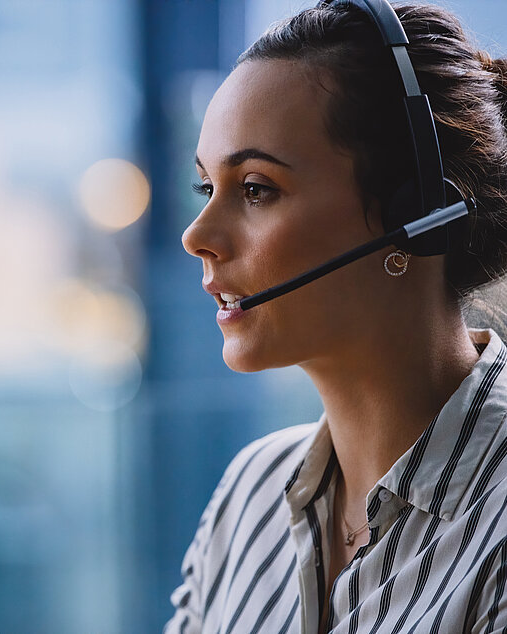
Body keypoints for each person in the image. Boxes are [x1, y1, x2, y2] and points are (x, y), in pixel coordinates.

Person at [165, 1, 507, 632]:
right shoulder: (250, 492)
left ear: (415, 214)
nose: (196, 235)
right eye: (205, 189)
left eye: (255, 188)